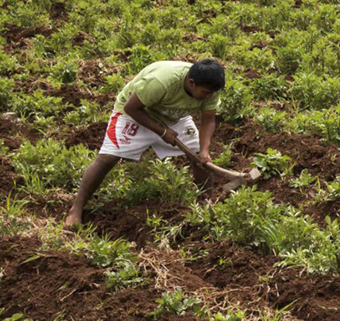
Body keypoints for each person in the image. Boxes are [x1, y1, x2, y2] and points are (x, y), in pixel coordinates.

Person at [65, 59, 225, 228]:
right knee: (107, 158)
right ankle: (76, 209)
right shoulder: (161, 81)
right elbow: (131, 108)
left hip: (174, 115)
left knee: (199, 158)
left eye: (211, 94)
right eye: (205, 93)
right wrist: (162, 131)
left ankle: (206, 200)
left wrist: (204, 151)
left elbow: (208, 121)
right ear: (191, 83)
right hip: (136, 113)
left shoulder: (210, 89)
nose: (209, 97)